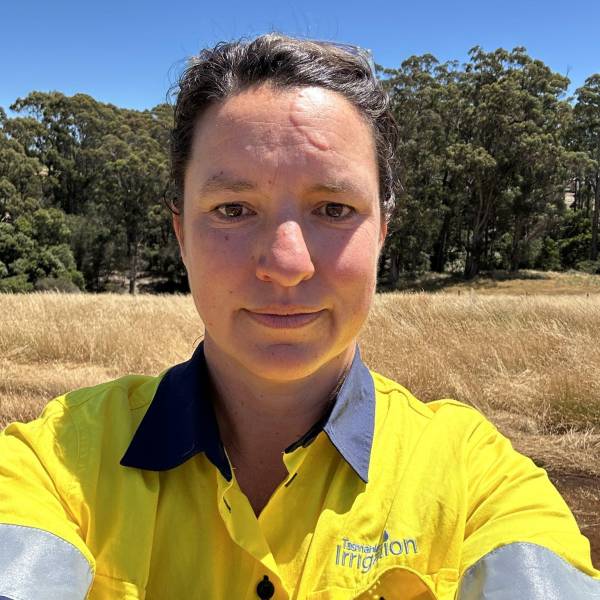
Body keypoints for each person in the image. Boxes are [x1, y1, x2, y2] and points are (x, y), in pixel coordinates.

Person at [0, 34, 599, 600]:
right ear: (181, 233)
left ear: (382, 232)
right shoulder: (53, 464)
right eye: (233, 209)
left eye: (334, 208)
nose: (287, 264)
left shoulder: (476, 482)